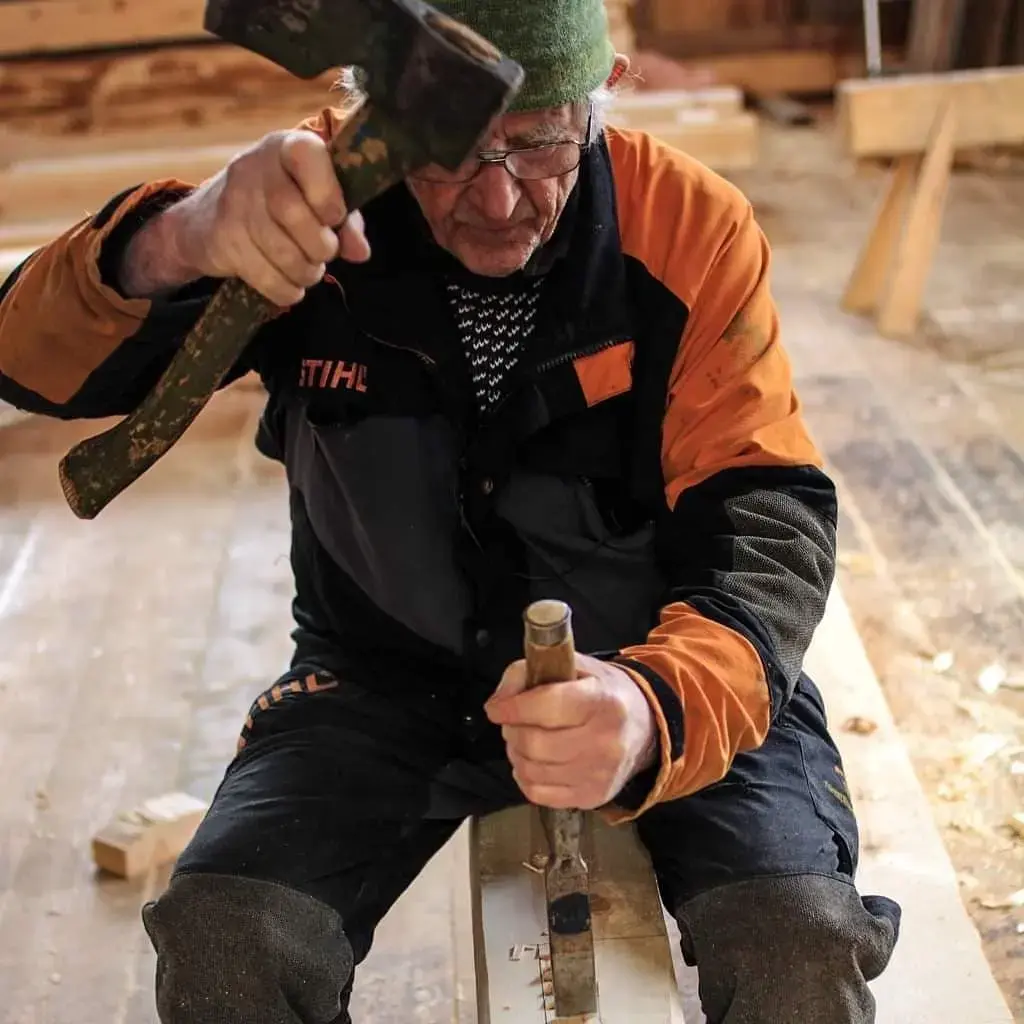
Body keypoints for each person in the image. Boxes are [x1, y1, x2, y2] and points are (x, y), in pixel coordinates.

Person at [0, 1, 901, 1020]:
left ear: (603, 92)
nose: (497, 199)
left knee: (795, 943)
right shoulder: (304, 210)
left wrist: (657, 706)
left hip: (659, 657)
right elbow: (23, 362)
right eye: (449, 153)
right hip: (383, 672)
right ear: (364, 113)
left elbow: (765, 517)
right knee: (229, 940)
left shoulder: (686, 226)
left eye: (540, 141)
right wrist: (178, 239)